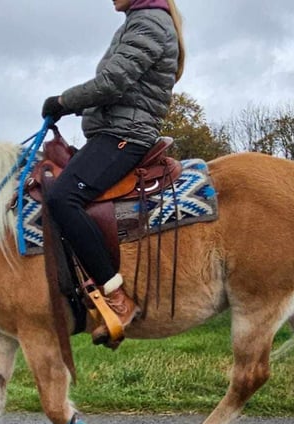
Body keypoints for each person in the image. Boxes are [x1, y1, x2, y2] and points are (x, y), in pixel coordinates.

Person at [41, 0, 185, 344]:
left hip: (124, 136)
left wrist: (64, 102)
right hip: (116, 131)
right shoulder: (141, 20)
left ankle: (118, 299)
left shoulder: (149, 21)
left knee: (63, 197)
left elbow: (112, 82)